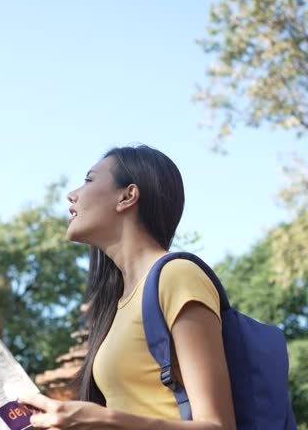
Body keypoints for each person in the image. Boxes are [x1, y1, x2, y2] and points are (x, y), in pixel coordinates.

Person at [19, 145, 236, 429]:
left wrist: (103, 419)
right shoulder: (115, 304)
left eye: (89, 179)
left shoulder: (177, 276)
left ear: (127, 196)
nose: (72, 195)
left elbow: (219, 426)